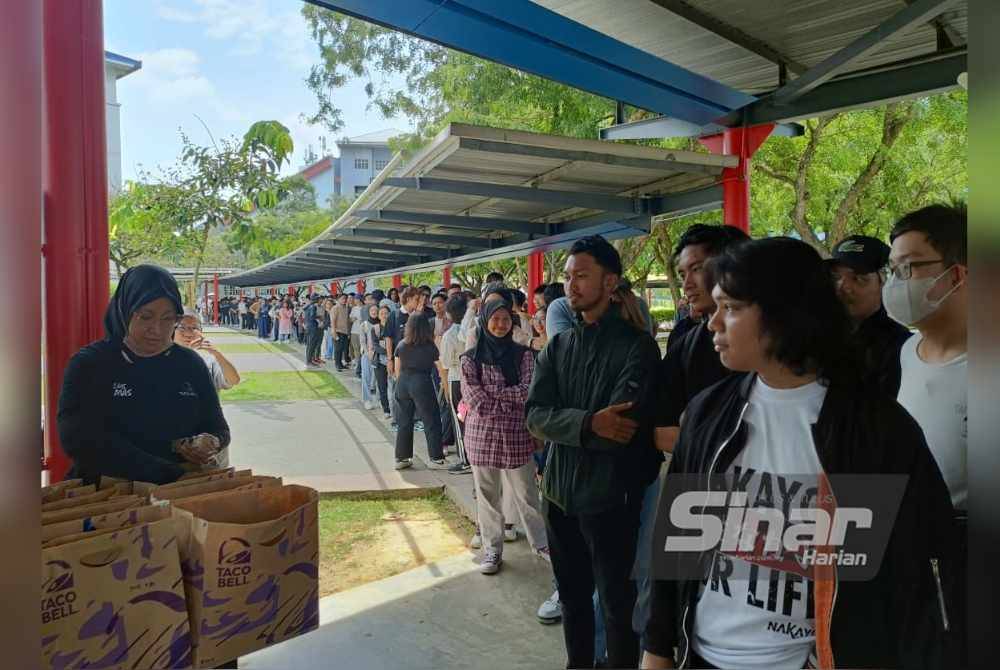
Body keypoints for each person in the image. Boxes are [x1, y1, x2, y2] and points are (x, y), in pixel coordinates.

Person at [641, 237, 960, 670]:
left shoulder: (877, 429)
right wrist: (657, 652)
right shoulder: (707, 414)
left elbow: (913, 581)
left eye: (731, 308)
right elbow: (675, 552)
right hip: (704, 657)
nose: (713, 323)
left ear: (784, 315)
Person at [525, 236, 662, 669]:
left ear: (610, 281)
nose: (571, 285)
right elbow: (534, 415)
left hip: (609, 500)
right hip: (559, 497)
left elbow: (619, 429)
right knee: (573, 600)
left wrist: (568, 423)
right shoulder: (558, 347)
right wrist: (587, 422)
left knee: (617, 607)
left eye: (581, 275)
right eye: (567, 276)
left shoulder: (637, 347)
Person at [56, 264, 231, 484]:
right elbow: (79, 440)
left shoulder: (190, 364)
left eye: (168, 319)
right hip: (108, 496)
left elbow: (218, 426)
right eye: (145, 317)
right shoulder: (90, 364)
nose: (157, 329)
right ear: (124, 312)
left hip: (180, 493)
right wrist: (167, 473)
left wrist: (212, 441)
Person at [886, 203, 968, 664]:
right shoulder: (905, 353)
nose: (898, 283)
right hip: (918, 546)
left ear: (957, 274)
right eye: (894, 270)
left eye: (911, 267)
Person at [461, 298, 550, 574]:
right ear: (485, 321)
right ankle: (492, 550)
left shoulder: (523, 355)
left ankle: (542, 544)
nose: (500, 325)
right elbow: (475, 401)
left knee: (526, 494)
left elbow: (527, 391)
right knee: (487, 497)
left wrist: (495, 395)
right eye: (495, 319)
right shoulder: (470, 358)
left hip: (516, 436)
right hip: (482, 437)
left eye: (506, 320)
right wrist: (506, 399)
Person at [655, 223, 750, 454]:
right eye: (682, 274)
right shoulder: (686, 344)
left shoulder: (780, 346)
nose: (686, 284)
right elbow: (661, 432)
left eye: (697, 269)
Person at [826, 234, 912, 397]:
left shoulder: (901, 346)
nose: (843, 287)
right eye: (835, 277)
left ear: (884, 283)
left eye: (858, 278)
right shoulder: (819, 334)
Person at [392, 314, 450, 471]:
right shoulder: (430, 347)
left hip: (403, 382)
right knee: (431, 420)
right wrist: (446, 389)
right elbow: (441, 369)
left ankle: (402, 457)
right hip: (422, 382)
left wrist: (401, 385)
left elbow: (397, 369)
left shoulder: (402, 345)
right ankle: (436, 457)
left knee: (404, 421)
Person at [439, 295, 472, 475]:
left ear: (449, 314)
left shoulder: (449, 335)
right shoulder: (474, 328)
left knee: (459, 421)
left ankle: (465, 459)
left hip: (456, 378)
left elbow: (445, 362)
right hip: (473, 380)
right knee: (472, 420)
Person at [385, 287, 426, 429]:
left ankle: (415, 419)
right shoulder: (394, 315)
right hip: (399, 361)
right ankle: (397, 421)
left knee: (416, 390)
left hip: (417, 361)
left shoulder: (418, 316)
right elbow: (388, 338)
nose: (419, 302)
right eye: (416, 299)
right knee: (399, 390)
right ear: (408, 299)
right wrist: (389, 359)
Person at [368, 304, 392, 417]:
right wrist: (388, 352)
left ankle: (395, 408)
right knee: (382, 386)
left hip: (393, 360)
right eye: (381, 313)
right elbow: (375, 345)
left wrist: (391, 355)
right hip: (379, 361)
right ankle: (386, 410)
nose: (384, 315)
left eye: (386, 313)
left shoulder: (394, 326)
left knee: (394, 386)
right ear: (378, 315)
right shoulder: (375, 328)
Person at [359, 303, 381, 410]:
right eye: (372, 310)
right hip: (367, 354)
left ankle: (378, 399)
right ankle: (367, 400)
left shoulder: (382, 323)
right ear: (368, 312)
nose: (374, 312)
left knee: (377, 378)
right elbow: (362, 341)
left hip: (378, 354)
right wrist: (368, 353)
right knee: (366, 377)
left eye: (376, 310)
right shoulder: (364, 324)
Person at [332, 294, 352, 371]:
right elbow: (333, 320)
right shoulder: (335, 308)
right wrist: (334, 332)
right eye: (343, 298)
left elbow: (347, 320)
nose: (344, 300)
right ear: (338, 299)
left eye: (345, 298)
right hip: (337, 331)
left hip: (345, 332)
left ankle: (340, 364)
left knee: (343, 348)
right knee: (338, 349)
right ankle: (337, 365)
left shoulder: (346, 308)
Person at [304, 295, 324, 367]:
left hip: (309, 327)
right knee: (311, 345)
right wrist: (319, 317)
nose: (320, 300)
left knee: (310, 345)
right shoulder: (313, 307)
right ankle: (309, 361)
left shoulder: (308, 306)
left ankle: (309, 360)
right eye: (319, 299)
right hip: (313, 328)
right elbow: (312, 316)